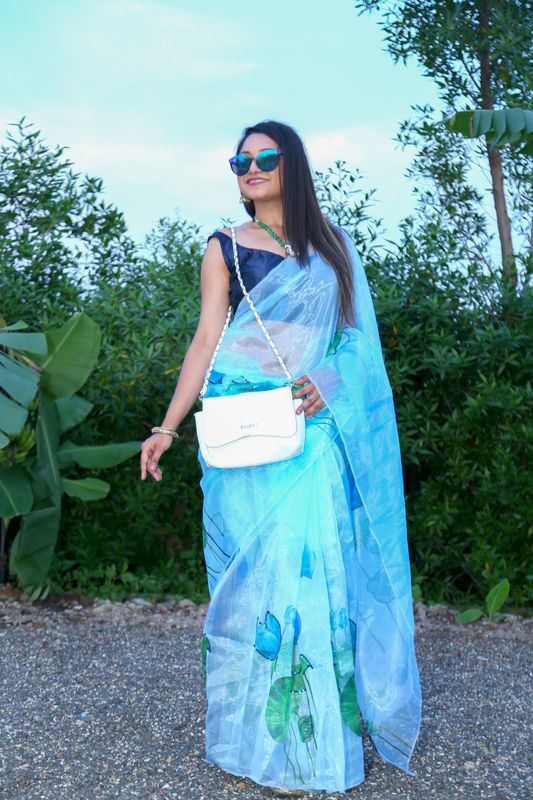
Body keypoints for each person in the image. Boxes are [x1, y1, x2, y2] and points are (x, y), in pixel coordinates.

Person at [140, 120, 422, 795]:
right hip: (239, 429)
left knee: (312, 572)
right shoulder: (224, 247)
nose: (252, 168)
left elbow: (355, 340)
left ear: (292, 164)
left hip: (310, 430)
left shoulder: (332, 247)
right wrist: (167, 427)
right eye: (240, 160)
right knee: (252, 583)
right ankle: (256, 741)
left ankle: (312, 748)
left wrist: (329, 379)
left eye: (265, 157)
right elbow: (205, 340)